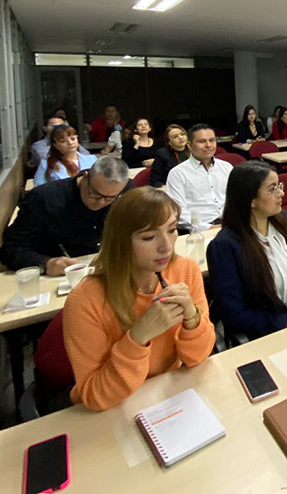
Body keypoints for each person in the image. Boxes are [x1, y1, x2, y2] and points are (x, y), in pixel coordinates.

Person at [63, 187, 215, 411]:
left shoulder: (185, 270)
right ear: (121, 241)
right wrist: (138, 337)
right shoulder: (84, 301)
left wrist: (192, 319)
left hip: (171, 394)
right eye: (149, 237)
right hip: (117, 408)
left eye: (172, 230)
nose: (166, 245)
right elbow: (95, 396)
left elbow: (199, 356)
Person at [206, 161, 287, 341]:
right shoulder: (224, 246)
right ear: (250, 199)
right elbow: (234, 313)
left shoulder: (283, 221)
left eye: (279, 186)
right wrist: (286, 321)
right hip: (269, 331)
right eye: (272, 189)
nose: (281, 193)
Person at [0, 157, 132, 275]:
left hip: (106, 269)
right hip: (60, 275)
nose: (102, 202)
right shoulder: (44, 198)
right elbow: (11, 249)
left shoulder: (127, 193)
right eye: (96, 194)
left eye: (110, 198)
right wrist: (46, 263)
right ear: (85, 177)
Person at [166, 123, 233, 231]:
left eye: (212, 140)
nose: (208, 145)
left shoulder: (226, 167)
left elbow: (237, 199)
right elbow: (178, 212)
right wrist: (209, 227)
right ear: (189, 145)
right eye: (202, 141)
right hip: (200, 230)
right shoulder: (178, 173)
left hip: (230, 225)